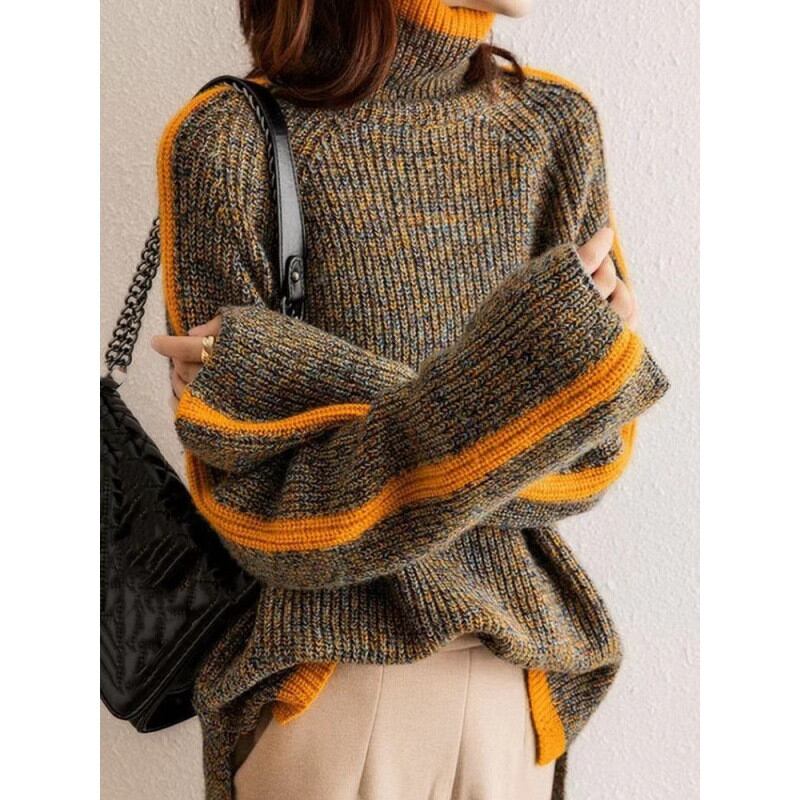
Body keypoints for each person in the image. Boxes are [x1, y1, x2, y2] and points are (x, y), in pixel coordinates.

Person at [150, 1, 669, 798]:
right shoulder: (230, 139)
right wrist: (534, 385)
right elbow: (260, 513)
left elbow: (593, 455)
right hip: (328, 692)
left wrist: (298, 372)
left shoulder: (554, 127)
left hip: (516, 688)